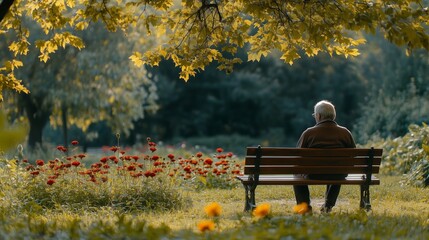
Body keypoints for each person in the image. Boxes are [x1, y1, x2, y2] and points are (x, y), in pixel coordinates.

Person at [294, 100, 356, 213]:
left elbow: (298, 158)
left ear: (318, 115)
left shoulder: (309, 133)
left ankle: (305, 207)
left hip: (313, 174)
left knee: (297, 173)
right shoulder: (345, 133)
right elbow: (353, 156)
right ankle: (328, 205)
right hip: (338, 174)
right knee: (338, 170)